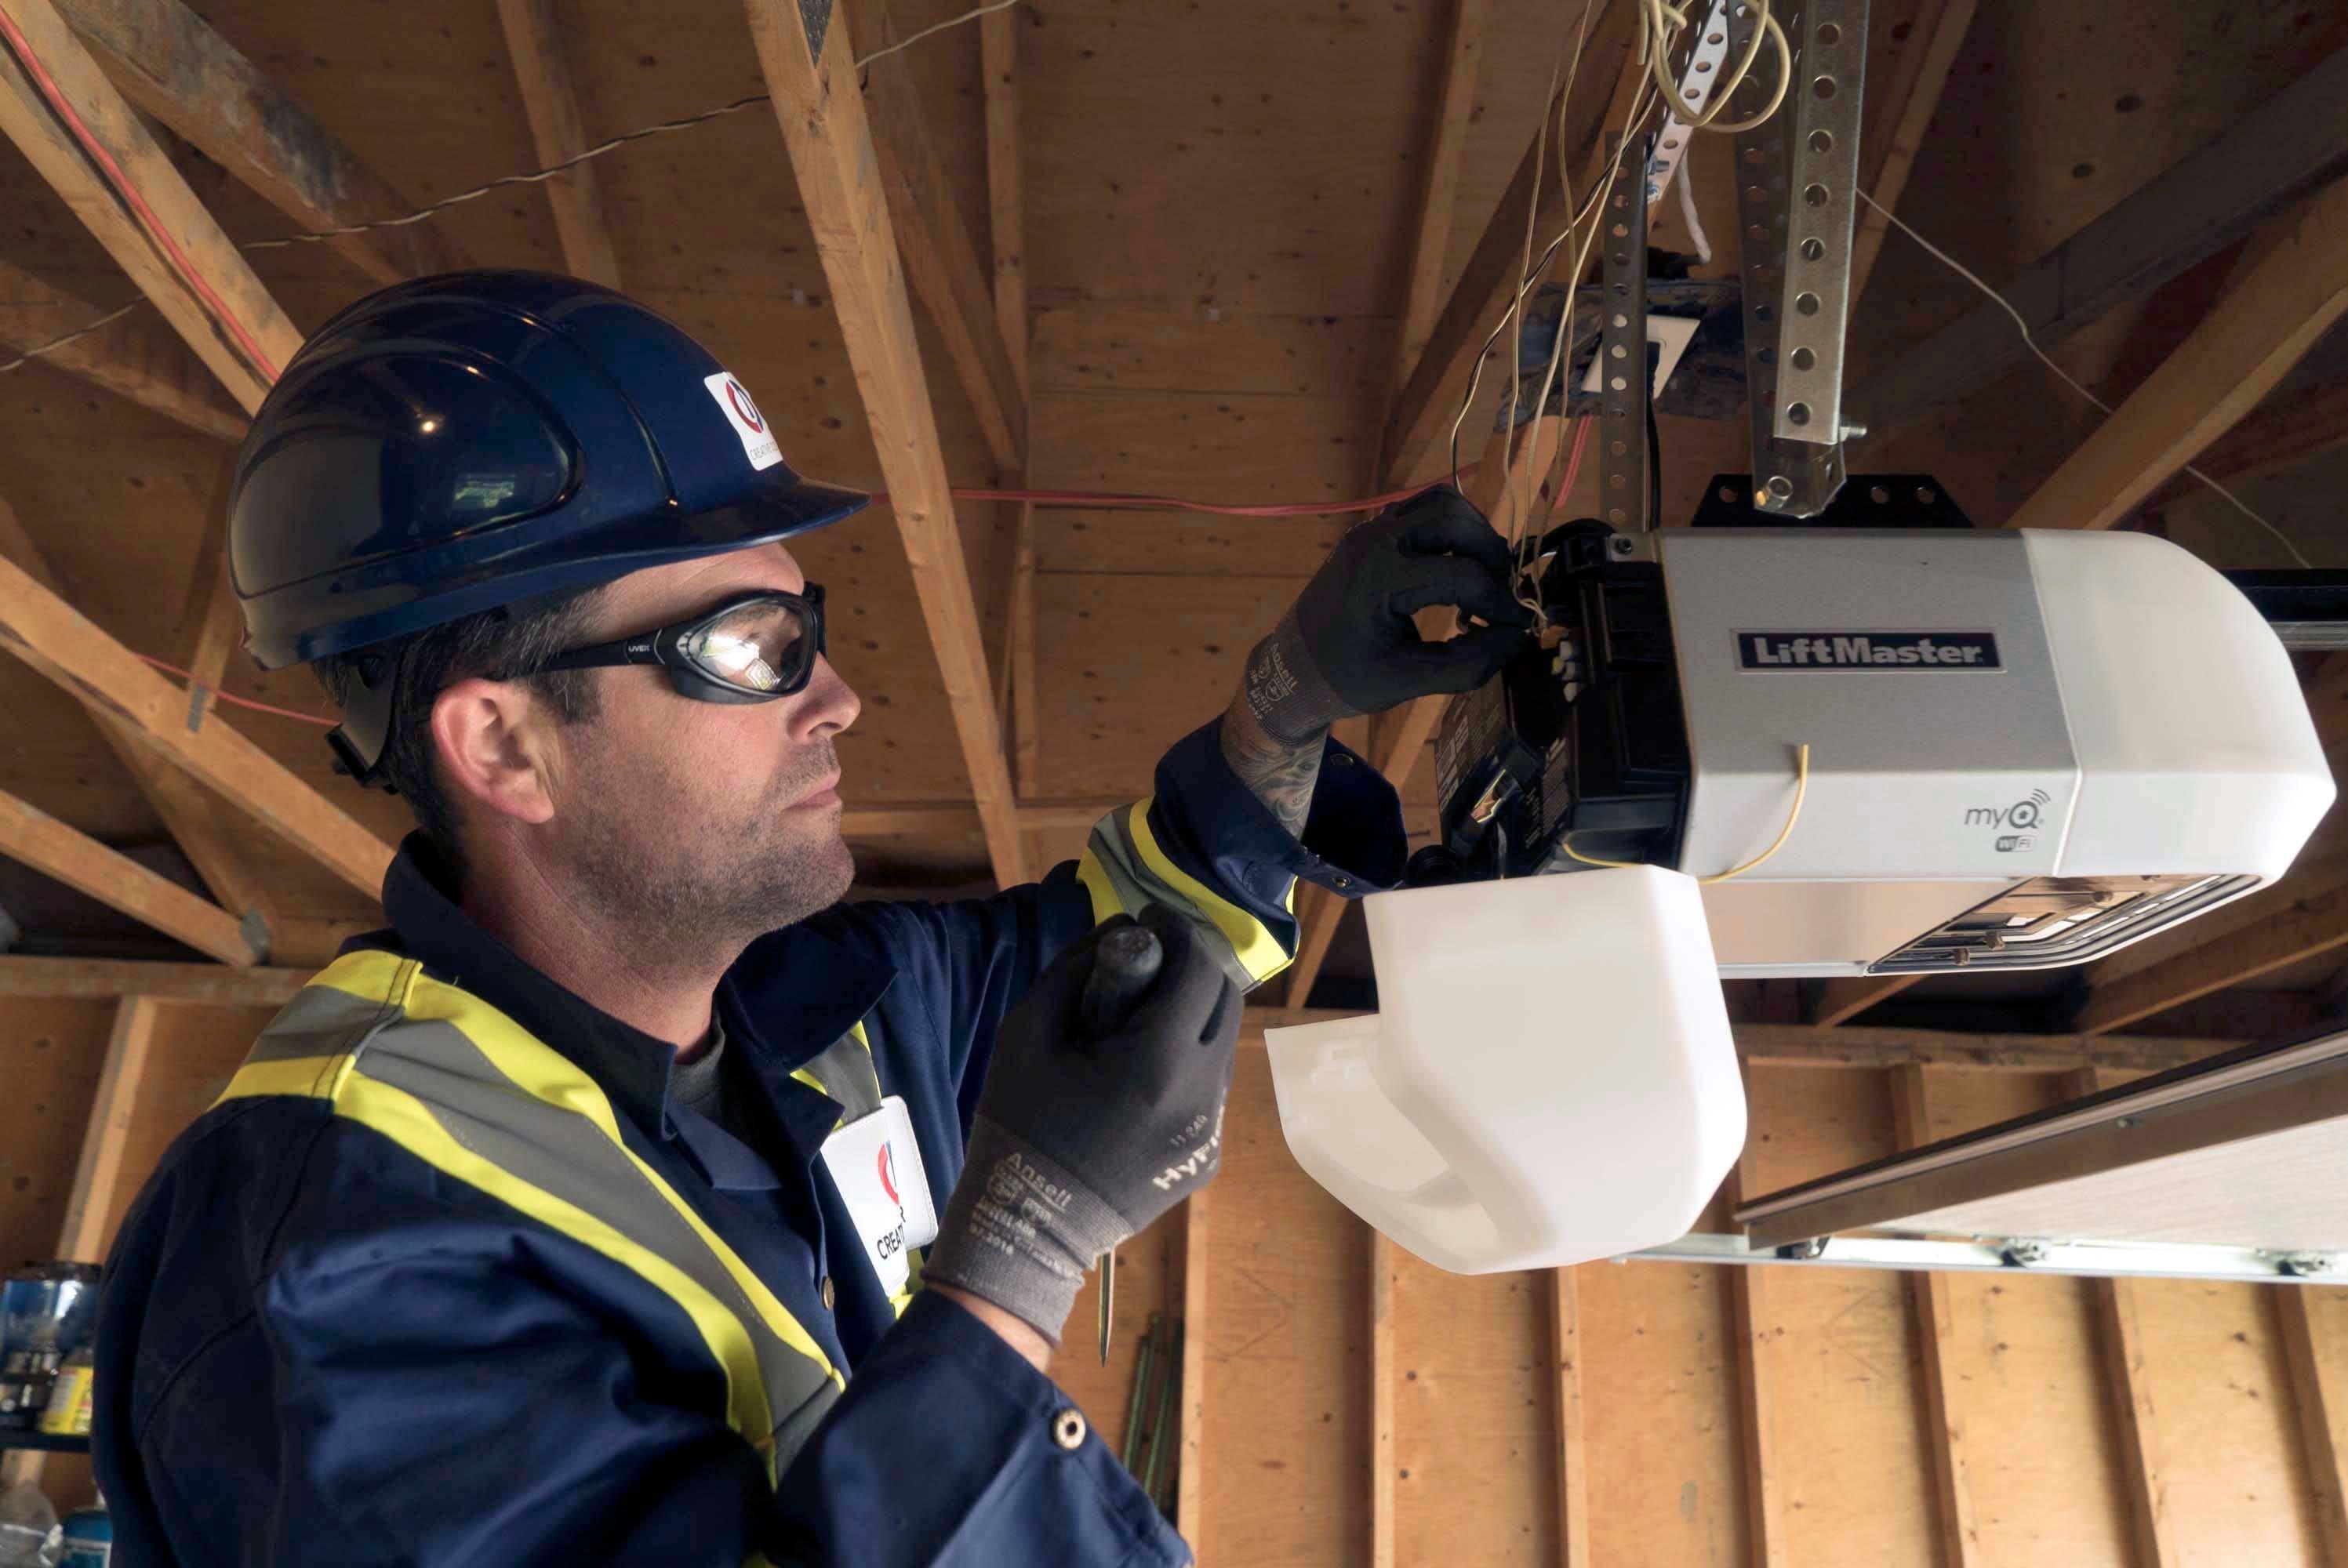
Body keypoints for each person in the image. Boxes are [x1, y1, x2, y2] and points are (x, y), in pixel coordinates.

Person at [90, 272, 1530, 1566]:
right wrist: (1019, 1253)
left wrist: (1285, 703)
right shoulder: (336, 1253)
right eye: (747, 650)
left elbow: (1127, 943)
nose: (834, 701)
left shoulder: (816, 1002)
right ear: (503, 748)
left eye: (806, 631)